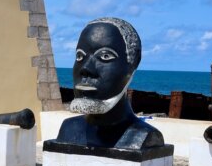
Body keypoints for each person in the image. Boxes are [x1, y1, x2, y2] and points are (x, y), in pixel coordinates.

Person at [56, 17, 165, 150]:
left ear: (133, 64)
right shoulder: (69, 129)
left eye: (105, 56)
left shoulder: (143, 137)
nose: (85, 68)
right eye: (80, 56)